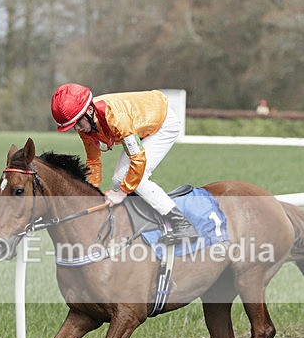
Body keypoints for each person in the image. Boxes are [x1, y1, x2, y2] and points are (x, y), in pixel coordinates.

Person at [51, 83, 197, 244]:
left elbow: (138, 159)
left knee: (136, 180)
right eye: (73, 127)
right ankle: (144, 220)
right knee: (119, 180)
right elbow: (93, 162)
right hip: (139, 125)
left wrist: (121, 194)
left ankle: (182, 224)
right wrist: (90, 194)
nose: (78, 129)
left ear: (90, 111)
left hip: (162, 123)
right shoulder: (86, 124)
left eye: (78, 123)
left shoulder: (116, 118)